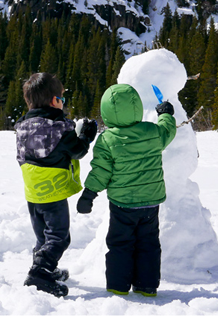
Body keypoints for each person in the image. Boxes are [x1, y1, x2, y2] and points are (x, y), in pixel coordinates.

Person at [76, 83, 176, 297]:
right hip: (151, 202)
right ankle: (147, 286)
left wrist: (89, 194)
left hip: (123, 205)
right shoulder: (152, 132)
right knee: (148, 244)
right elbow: (168, 130)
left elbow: (101, 172)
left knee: (120, 244)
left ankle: (117, 286)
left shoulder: (107, 139)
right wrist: (166, 113)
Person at [15, 72, 98, 297]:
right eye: (62, 98)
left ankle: (43, 267)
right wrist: (87, 137)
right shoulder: (59, 128)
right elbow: (77, 151)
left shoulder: (22, 126)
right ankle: (39, 273)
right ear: (55, 101)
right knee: (59, 236)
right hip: (53, 191)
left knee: (42, 235)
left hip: (32, 192)